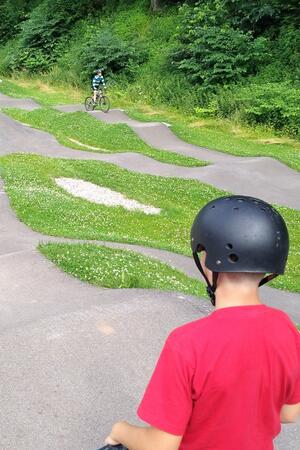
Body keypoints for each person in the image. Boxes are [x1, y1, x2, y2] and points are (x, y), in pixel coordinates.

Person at [105, 195, 300, 450]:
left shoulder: (187, 343)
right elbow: (288, 413)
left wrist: (121, 430)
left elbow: (161, 445)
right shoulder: (286, 329)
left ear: (207, 258)